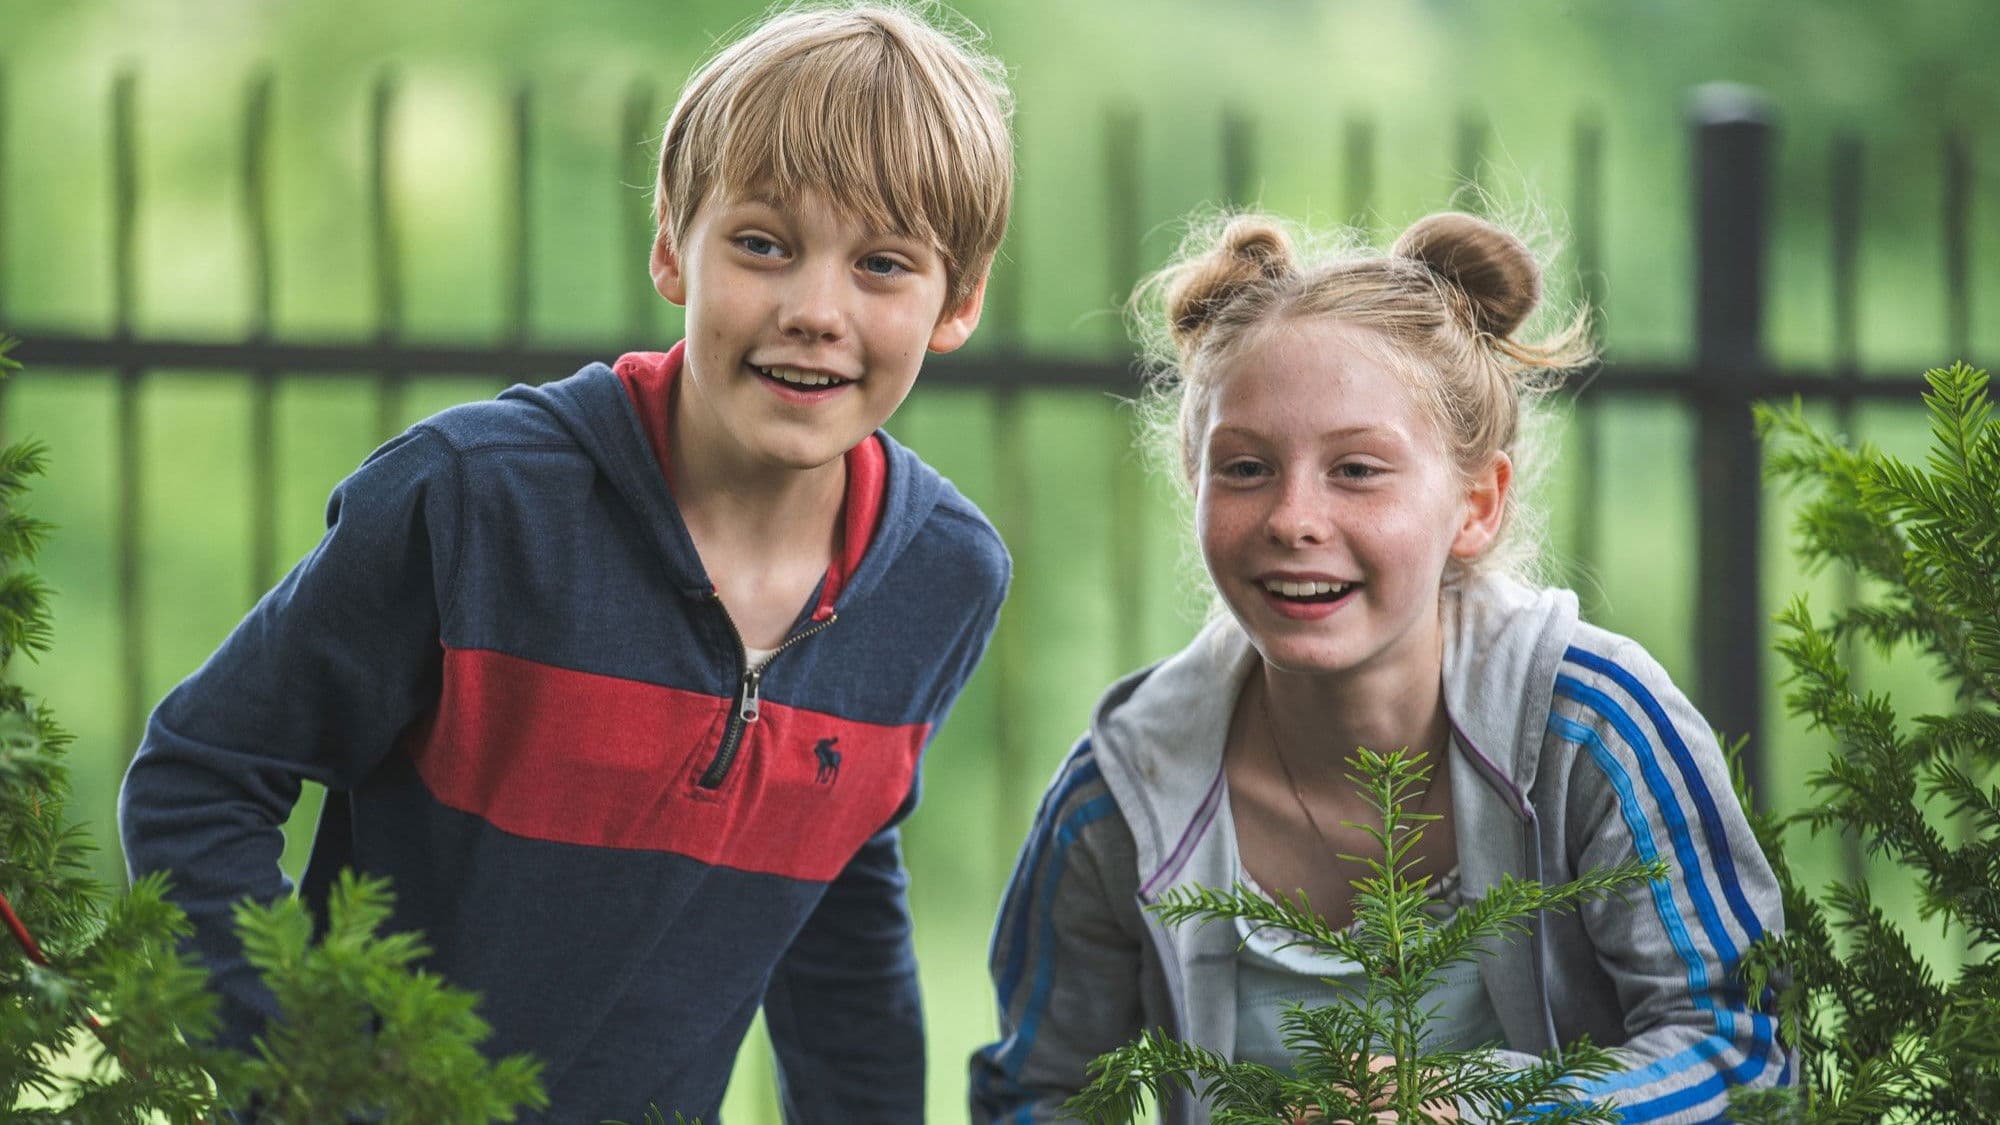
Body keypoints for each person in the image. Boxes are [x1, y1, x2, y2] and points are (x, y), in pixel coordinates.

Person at [119, 4, 1013, 1120]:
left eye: (882, 264)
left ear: (958, 303)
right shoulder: (473, 500)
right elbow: (199, 777)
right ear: (668, 245)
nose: (813, 310)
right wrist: (306, 1074)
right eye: (761, 243)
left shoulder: (942, 579)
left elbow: (836, 894)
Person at [970, 210, 1787, 1123]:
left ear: (1476, 504)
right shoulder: (1123, 793)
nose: (1293, 517)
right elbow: (1035, 1091)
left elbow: (1739, 1050)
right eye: (1244, 467)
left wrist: (1487, 1111)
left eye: (1356, 469)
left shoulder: (1595, 728)